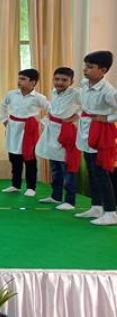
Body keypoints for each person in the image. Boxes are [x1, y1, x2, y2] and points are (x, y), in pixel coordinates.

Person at [74, 51, 117, 226]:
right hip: (86, 128)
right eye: (85, 66)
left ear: (103, 70)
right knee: (91, 171)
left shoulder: (109, 91)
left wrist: (106, 118)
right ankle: (96, 206)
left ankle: (111, 212)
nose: (85, 69)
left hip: (100, 131)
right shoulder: (84, 83)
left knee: (101, 173)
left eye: (90, 67)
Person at [34, 67, 82, 210]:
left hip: (66, 132)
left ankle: (70, 201)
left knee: (67, 167)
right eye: (57, 79)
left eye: (64, 80)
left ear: (71, 81)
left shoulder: (76, 93)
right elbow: (53, 109)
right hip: (52, 130)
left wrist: (75, 117)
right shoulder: (54, 92)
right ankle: (56, 196)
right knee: (55, 166)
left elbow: (88, 106)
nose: (60, 82)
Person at [0, 68, 48, 197]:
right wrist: (4, 120)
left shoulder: (39, 98)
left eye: (23, 79)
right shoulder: (11, 94)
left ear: (33, 82)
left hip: (28, 130)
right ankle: (15, 185)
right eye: (19, 78)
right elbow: (3, 105)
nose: (19, 81)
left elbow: (51, 110)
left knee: (29, 158)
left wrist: (42, 123)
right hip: (13, 128)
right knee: (14, 157)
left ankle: (31, 187)